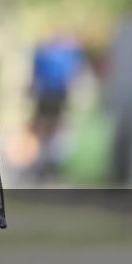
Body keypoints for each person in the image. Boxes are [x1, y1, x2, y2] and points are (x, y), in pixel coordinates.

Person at [27, 35, 84, 180]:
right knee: (53, 128)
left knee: (44, 128)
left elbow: (35, 76)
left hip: (47, 95)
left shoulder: (44, 54)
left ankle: (44, 162)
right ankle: (48, 162)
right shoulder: (68, 55)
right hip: (58, 96)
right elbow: (74, 76)